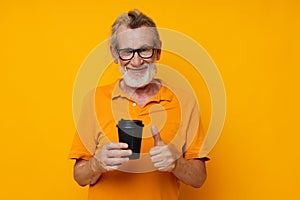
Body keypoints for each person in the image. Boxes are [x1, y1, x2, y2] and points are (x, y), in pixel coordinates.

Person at [69, 9, 208, 200]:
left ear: (158, 51)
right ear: (115, 54)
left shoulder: (185, 102)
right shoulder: (94, 100)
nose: (136, 61)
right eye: (127, 52)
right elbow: (79, 176)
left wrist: (177, 162)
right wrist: (96, 164)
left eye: (144, 50)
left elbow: (199, 178)